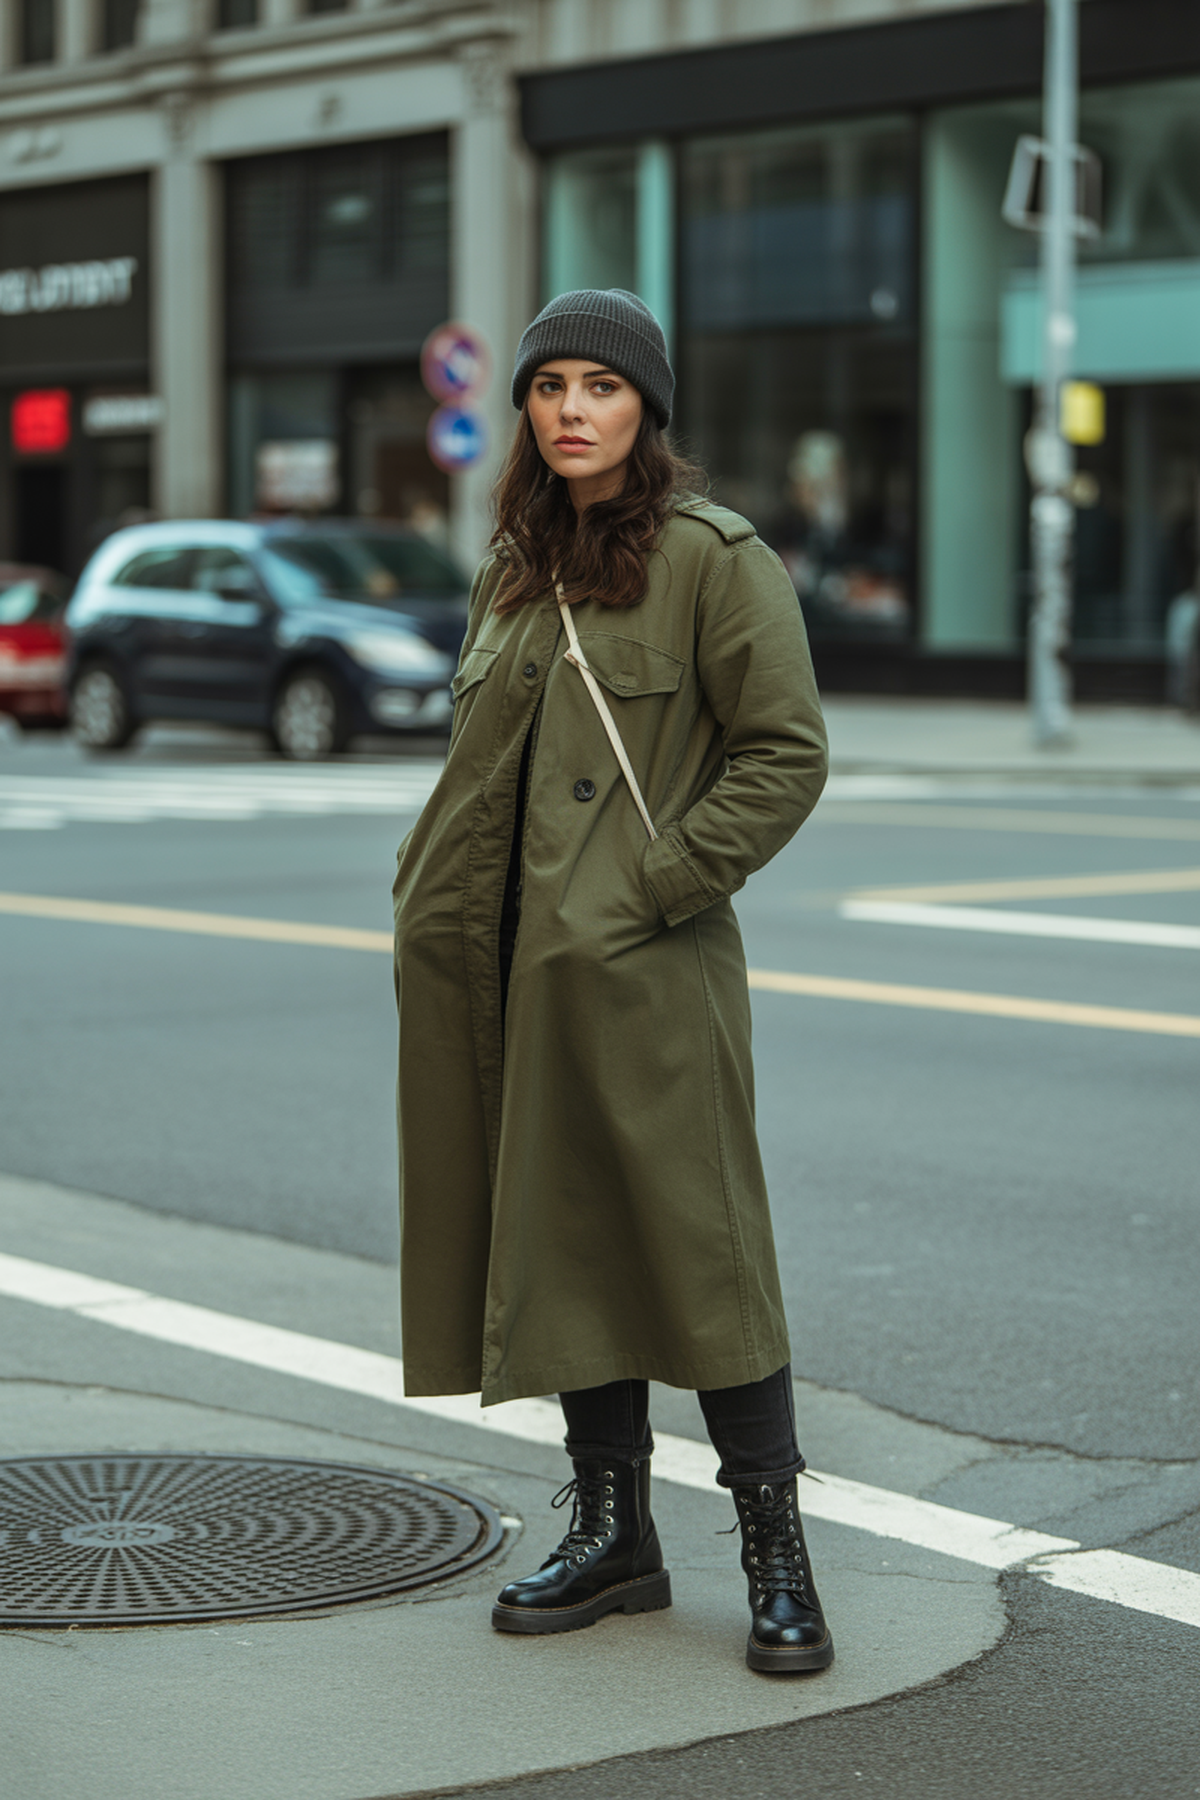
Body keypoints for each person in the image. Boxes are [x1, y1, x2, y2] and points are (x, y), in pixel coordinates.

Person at [392, 289, 832, 1674]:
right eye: (548, 387)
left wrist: (649, 890)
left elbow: (785, 755)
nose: (571, 410)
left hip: (649, 969)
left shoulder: (714, 559)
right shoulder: (513, 567)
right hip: (513, 975)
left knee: (708, 1254)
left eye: (600, 385)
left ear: (647, 407)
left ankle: (776, 1551)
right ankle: (613, 1535)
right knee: (565, 1240)